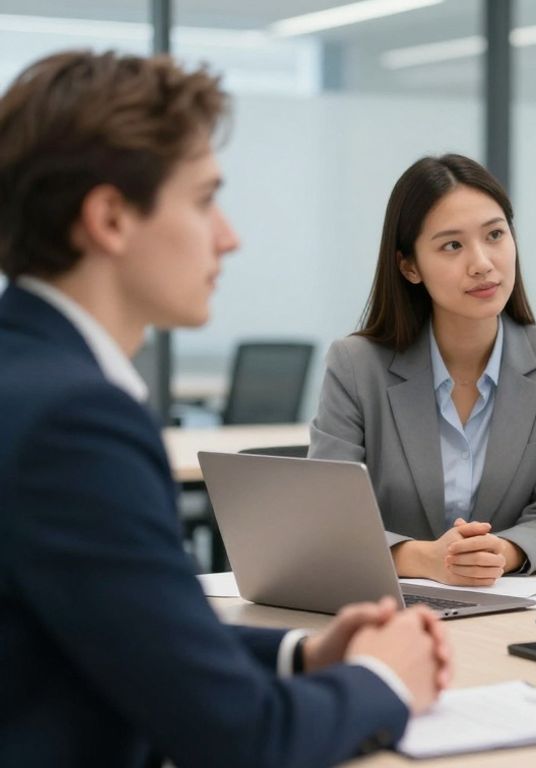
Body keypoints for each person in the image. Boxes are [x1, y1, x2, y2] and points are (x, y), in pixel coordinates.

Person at [0, 51, 449, 766]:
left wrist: (304, 653)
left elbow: (131, 631)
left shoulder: (27, 374)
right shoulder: (74, 421)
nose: (228, 236)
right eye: (205, 199)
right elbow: (241, 739)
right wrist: (387, 679)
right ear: (111, 219)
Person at [310, 154, 536, 585]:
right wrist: (425, 559)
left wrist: (502, 551)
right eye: (452, 245)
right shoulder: (356, 367)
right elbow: (329, 519)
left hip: (505, 607)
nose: (481, 262)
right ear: (409, 266)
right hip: (387, 607)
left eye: (495, 235)